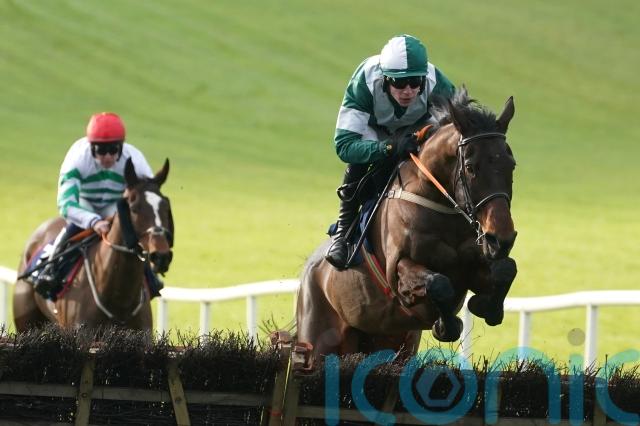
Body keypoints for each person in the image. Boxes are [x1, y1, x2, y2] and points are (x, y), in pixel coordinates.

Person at [325, 34, 456, 270]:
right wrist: (389, 147)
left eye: (415, 82)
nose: (408, 91)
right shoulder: (365, 81)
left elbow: (461, 127)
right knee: (359, 164)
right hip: (374, 131)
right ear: (385, 79)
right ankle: (343, 233)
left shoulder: (437, 83)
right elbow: (345, 146)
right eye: (399, 83)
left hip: (419, 128)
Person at [36, 112, 157, 298]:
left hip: (115, 204)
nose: (107, 157)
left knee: (132, 234)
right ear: (91, 147)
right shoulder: (77, 159)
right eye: (101, 150)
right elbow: (66, 204)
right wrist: (93, 221)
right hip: (85, 203)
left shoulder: (135, 159)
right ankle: (51, 269)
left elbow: (150, 194)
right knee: (72, 229)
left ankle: (150, 277)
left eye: (113, 150)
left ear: (121, 147)